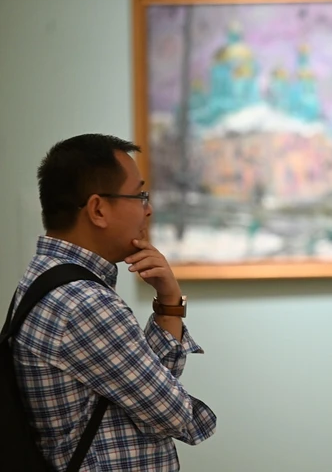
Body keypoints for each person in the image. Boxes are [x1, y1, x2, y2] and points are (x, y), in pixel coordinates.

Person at [10, 133, 216, 471]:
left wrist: (169, 301)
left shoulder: (45, 275)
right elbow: (178, 416)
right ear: (98, 209)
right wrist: (182, 409)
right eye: (140, 196)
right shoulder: (84, 303)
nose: (148, 210)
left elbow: (145, 389)